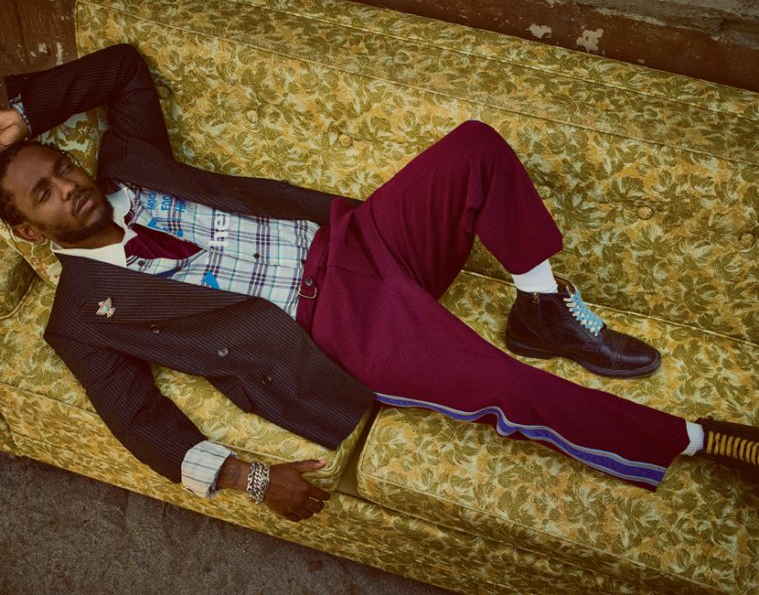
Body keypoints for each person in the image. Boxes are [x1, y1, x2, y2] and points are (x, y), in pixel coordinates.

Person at [0, 44, 756, 523]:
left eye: (62, 166)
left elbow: (124, 69)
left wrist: (19, 110)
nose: (69, 186)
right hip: (334, 330)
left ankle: (541, 307)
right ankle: (696, 439)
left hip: (355, 236)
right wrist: (247, 479)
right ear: (29, 231)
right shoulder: (83, 317)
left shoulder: (129, 160)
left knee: (473, 150)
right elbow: (137, 419)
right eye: (44, 194)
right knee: (506, 386)